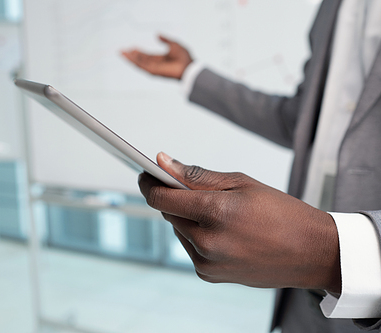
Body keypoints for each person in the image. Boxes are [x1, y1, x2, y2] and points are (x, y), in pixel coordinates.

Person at [122, 0, 381, 332]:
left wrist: (326, 253)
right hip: (300, 291)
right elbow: (299, 122)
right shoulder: (333, 6)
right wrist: (191, 74)